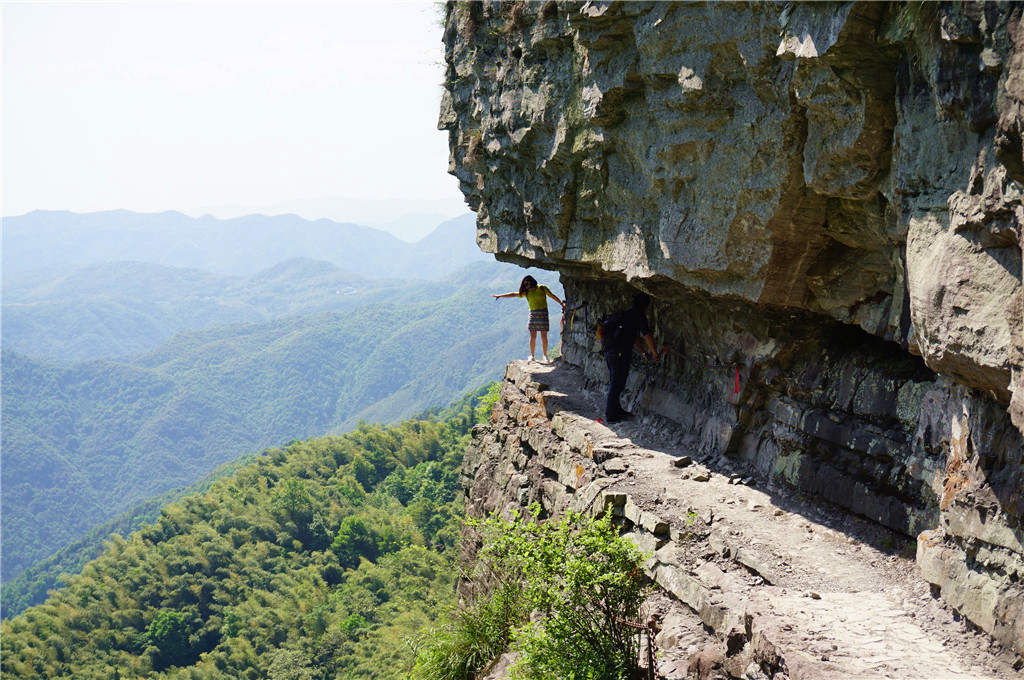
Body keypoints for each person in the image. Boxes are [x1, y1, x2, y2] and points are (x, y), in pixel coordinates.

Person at [602, 292, 659, 423]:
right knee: (616, 384)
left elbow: (634, 337)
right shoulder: (639, 315)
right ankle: (611, 415)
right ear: (646, 306)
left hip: (611, 351)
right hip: (619, 353)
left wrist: (643, 352)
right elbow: (647, 335)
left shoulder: (627, 314)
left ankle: (617, 411)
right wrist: (655, 353)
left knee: (617, 383)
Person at [492, 275, 564, 363]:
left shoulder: (542, 288)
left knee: (544, 335)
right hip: (533, 314)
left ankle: (545, 356)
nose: (527, 287)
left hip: (543, 313)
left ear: (533, 283)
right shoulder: (526, 292)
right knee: (533, 336)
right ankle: (532, 356)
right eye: (526, 286)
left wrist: (561, 303)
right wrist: (500, 296)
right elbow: (513, 294)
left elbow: (552, 296)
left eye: (528, 285)